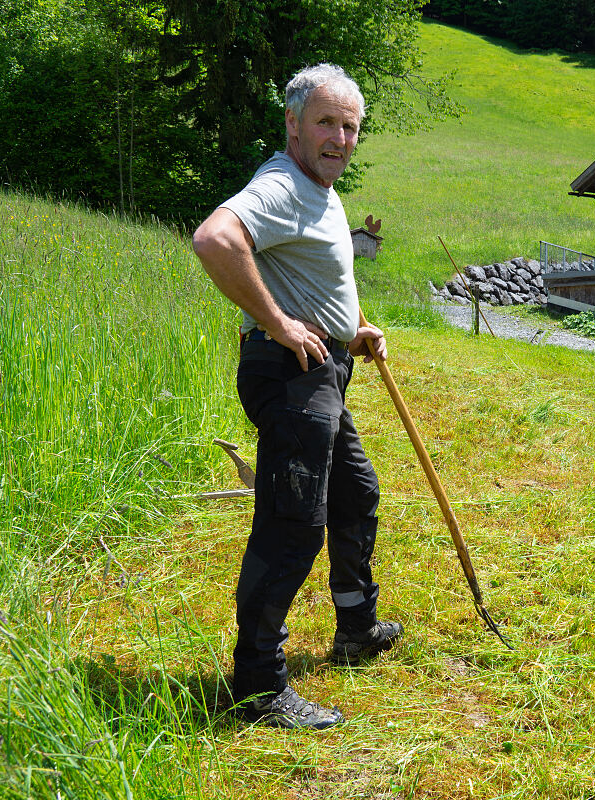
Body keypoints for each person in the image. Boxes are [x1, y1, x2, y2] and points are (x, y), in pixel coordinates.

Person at [192, 63, 402, 729]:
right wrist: (281, 324)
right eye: (326, 123)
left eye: (350, 127)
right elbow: (215, 238)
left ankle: (354, 626)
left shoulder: (322, 193)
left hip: (324, 370)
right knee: (292, 525)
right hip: (290, 375)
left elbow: (309, 273)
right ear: (294, 124)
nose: (340, 138)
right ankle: (258, 687)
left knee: (355, 493)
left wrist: (353, 330)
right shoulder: (282, 183)